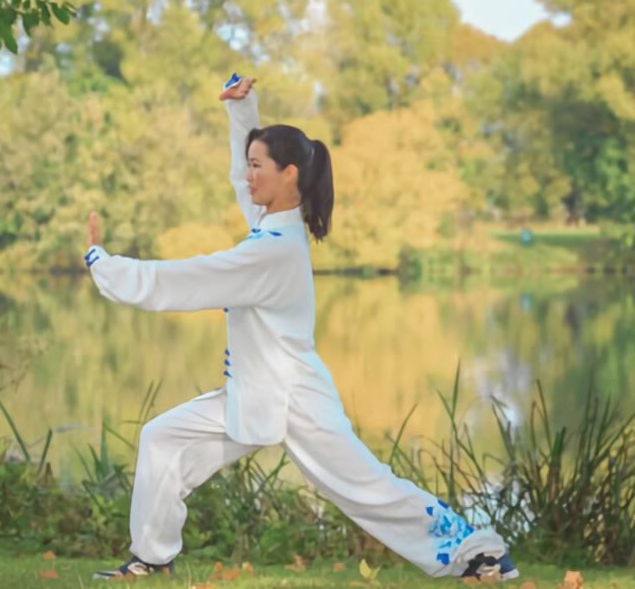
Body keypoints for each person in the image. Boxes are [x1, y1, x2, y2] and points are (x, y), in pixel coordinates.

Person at [84, 73, 518, 582]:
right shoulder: (272, 223)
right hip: (254, 392)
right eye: (248, 166)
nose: (248, 177)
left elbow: (185, 279)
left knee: (365, 486)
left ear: (288, 174)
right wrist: (242, 114)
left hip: (295, 398)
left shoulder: (271, 251)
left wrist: (105, 264)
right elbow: (238, 181)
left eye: (257, 168)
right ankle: (151, 557)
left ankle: (477, 552)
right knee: (163, 438)